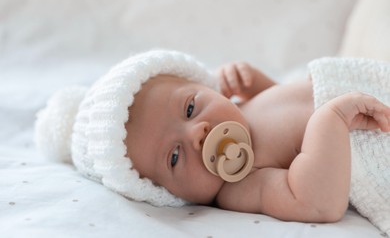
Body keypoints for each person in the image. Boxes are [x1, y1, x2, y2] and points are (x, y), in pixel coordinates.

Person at [35, 50, 390, 228]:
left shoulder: (240, 107)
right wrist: (331, 119)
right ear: (167, 194)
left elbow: (290, 115)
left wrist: (265, 87)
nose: (197, 133)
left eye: (190, 107)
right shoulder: (240, 184)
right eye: (173, 157)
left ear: (202, 84)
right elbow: (316, 202)